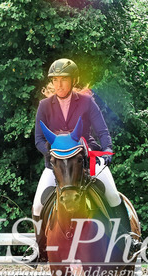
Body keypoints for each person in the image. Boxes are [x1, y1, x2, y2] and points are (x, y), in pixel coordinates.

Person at [32, 58, 139, 261]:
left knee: (112, 195)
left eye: (63, 79)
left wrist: (107, 150)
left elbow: (102, 131)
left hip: (87, 160)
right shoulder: (44, 106)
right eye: (55, 80)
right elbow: (38, 139)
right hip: (58, 165)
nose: (59, 85)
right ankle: (39, 249)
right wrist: (53, 154)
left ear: (73, 80)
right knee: (38, 204)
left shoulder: (87, 102)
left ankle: (127, 240)